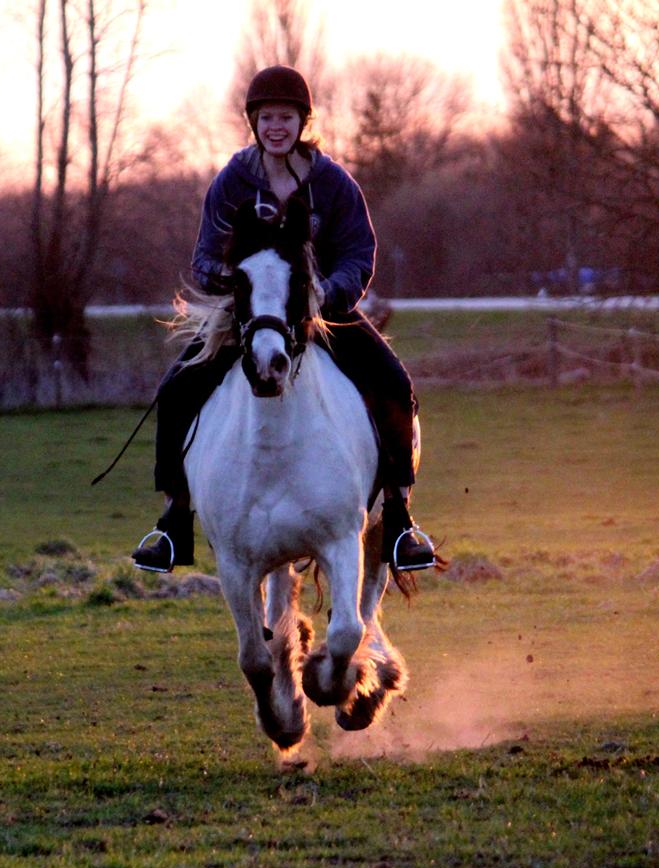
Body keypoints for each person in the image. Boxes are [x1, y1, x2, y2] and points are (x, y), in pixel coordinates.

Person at [132, 65, 435, 574]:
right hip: (249, 318)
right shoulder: (231, 183)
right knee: (177, 389)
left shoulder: (333, 183)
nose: (277, 126)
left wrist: (329, 293)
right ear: (254, 122)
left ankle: (400, 517)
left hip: (322, 314)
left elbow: (360, 251)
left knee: (394, 382)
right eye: (267, 116)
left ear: (302, 121)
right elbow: (204, 254)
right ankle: (174, 520)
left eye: (287, 117)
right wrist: (231, 283)